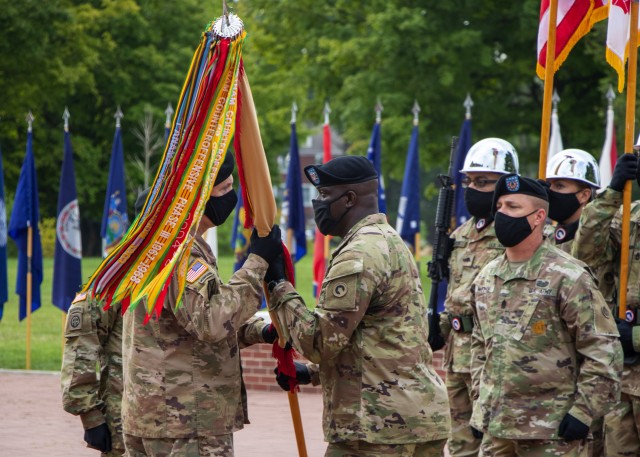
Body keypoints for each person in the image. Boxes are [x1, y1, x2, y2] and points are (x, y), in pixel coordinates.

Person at [268, 155, 451, 457]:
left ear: (350, 199)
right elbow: (386, 340)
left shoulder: (358, 255)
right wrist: (313, 373)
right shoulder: (390, 242)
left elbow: (319, 342)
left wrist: (279, 286)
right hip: (417, 419)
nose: (318, 204)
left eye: (325, 195)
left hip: (376, 430)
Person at [121, 153, 281, 457]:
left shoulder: (155, 247)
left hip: (156, 413)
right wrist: (257, 263)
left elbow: (183, 326)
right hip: (186, 420)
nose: (231, 197)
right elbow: (210, 322)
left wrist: (262, 331)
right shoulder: (183, 255)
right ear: (197, 198)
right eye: (223, 190)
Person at [469, 173, 622, 456]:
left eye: (512, 207)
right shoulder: (487, 277)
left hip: (551, 433)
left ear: (538, 217)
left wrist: (582, 413)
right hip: (496, 430)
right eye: (500, 206)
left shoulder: (568, 276)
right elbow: (480, 345)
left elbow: (604, 351)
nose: (502, 214)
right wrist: (481, 401)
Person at [437, 137, 519, 457]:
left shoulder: (513, 234)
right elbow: (453, 295)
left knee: (493, 445)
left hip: (492, 358)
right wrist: (439, 325)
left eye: (483, 182)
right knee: (459, 446)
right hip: (457, 356)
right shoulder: (460, 235)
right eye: (469, 181)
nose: (473, 188)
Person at [61, 188, 151, 456]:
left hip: (172, 422)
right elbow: (82, 343)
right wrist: (91, 417)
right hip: (123, 419)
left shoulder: (176, 266)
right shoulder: (117, 274)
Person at [572, 153, 640, 457]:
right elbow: (585, 252)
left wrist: (636, 338)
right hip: (624, 378)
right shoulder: (630, 219)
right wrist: (612, 192)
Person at [545, 149, 600, 253]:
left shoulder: (599, 237)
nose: (550, 191)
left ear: (584, 195)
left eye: (559, 186)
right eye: (549, 185)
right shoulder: (544, 236)